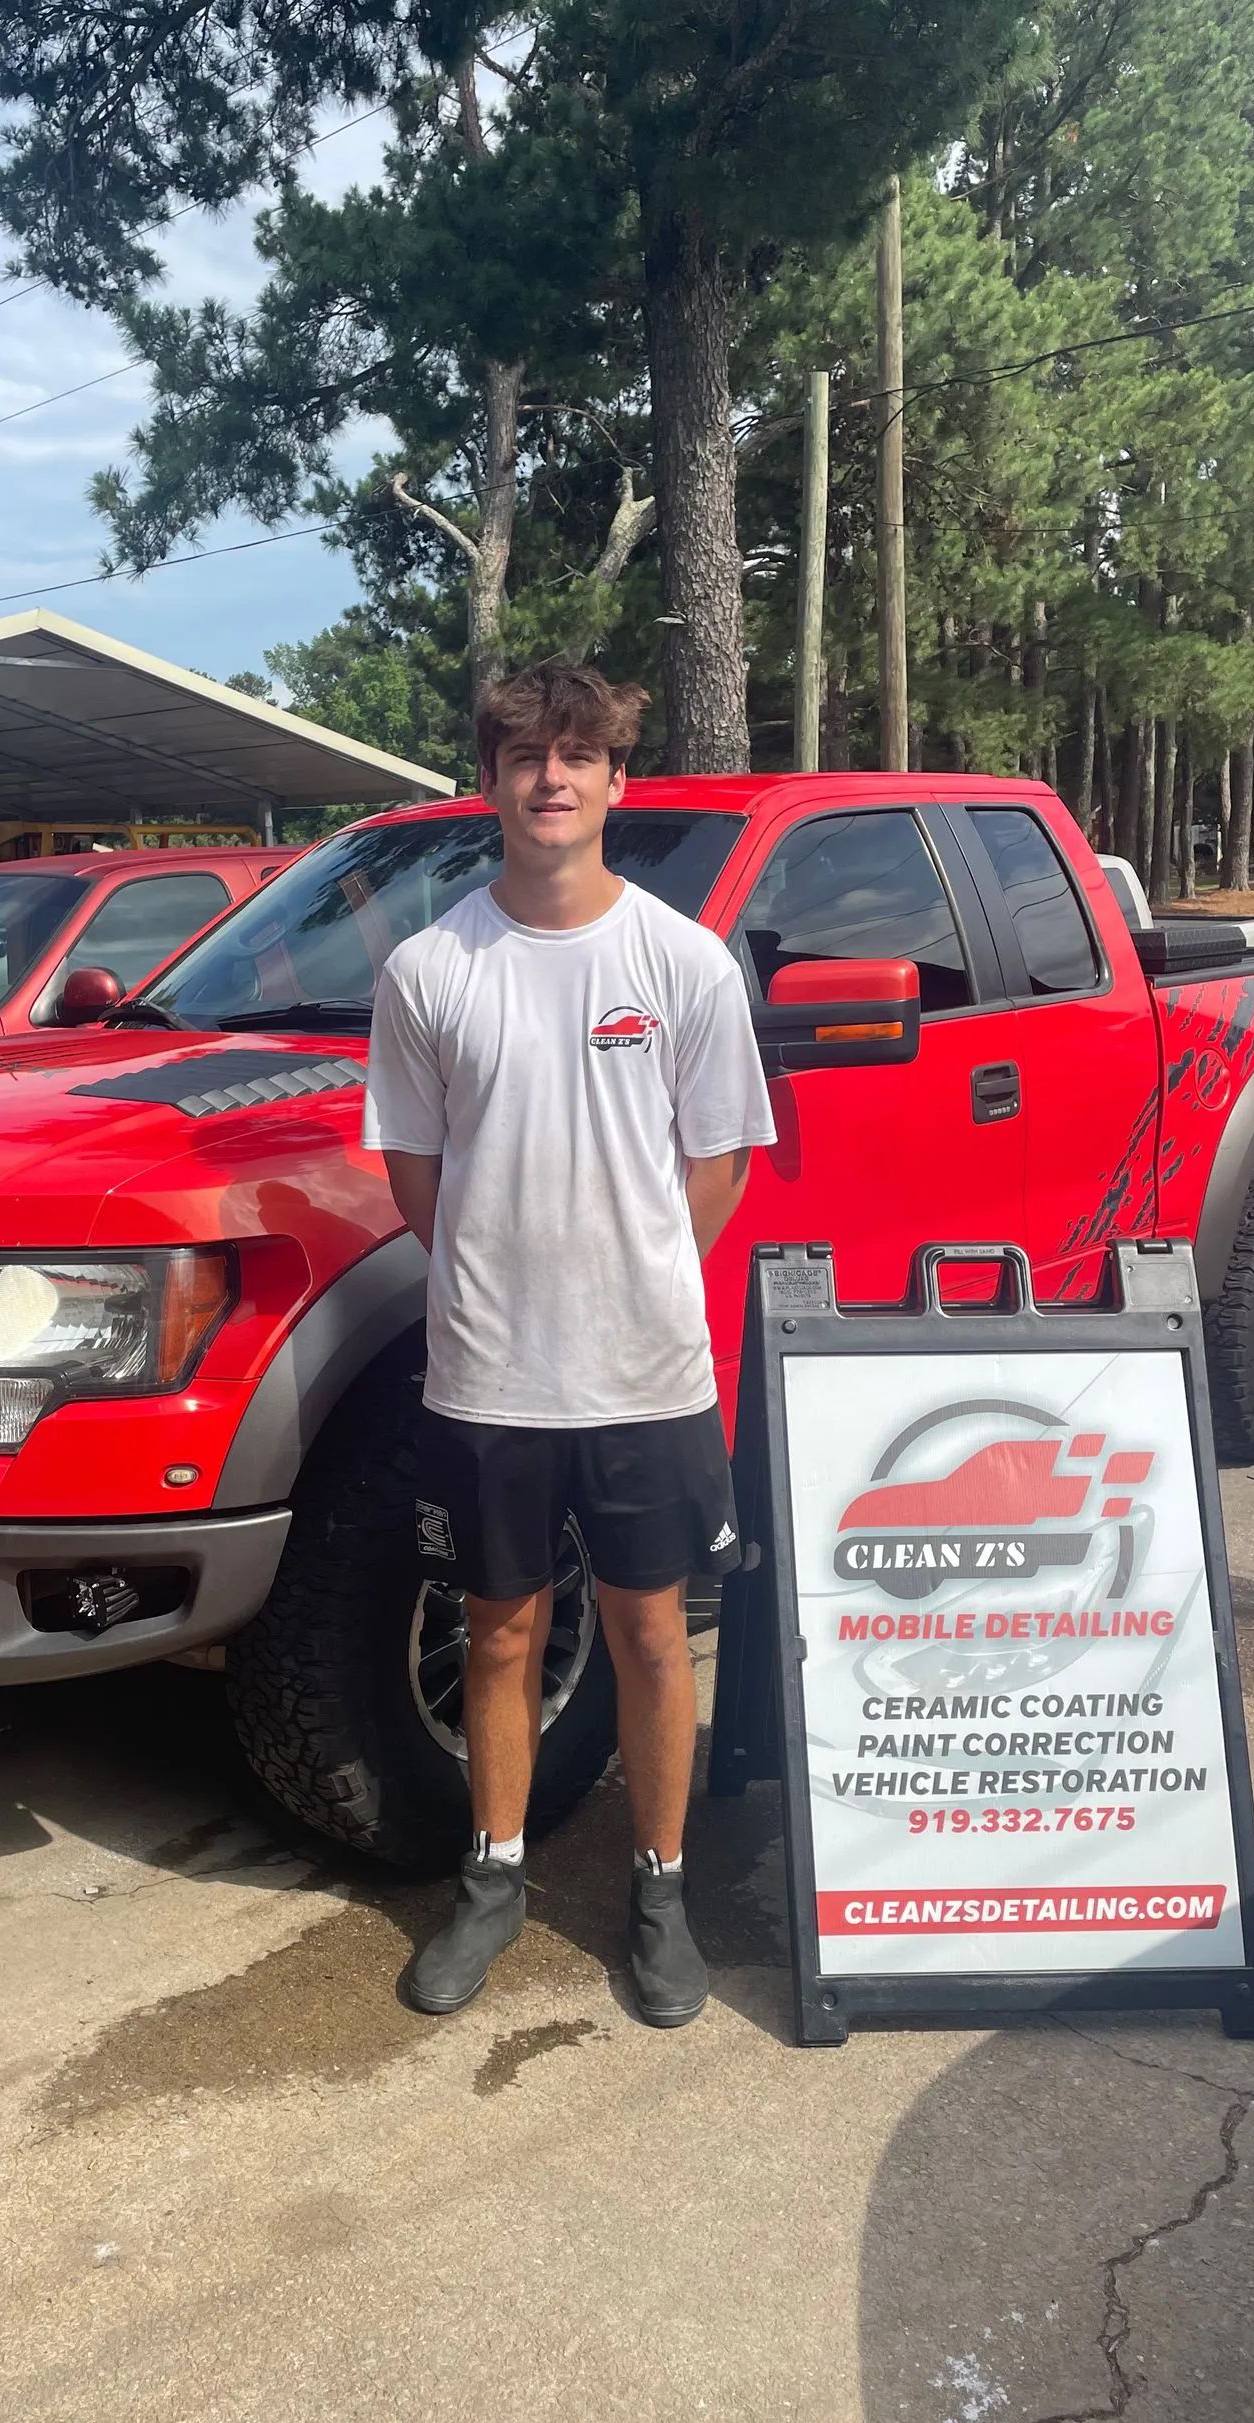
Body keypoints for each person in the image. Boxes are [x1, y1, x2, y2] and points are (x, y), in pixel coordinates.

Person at [362, 661, 776, 2027]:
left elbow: (715, 1164)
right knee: (499, 1636)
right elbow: (419, 1178)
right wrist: (501, 1277)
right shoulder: (430, 972)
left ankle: (660, 1892)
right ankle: (493, 1881)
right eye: (526, 755)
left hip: (645, 1370)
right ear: (491, 782)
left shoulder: (680, 961)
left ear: (615, 782)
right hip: (488, 1372)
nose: (552, 778)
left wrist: (633, 1273)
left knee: (652, 1635)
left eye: (577, 756)